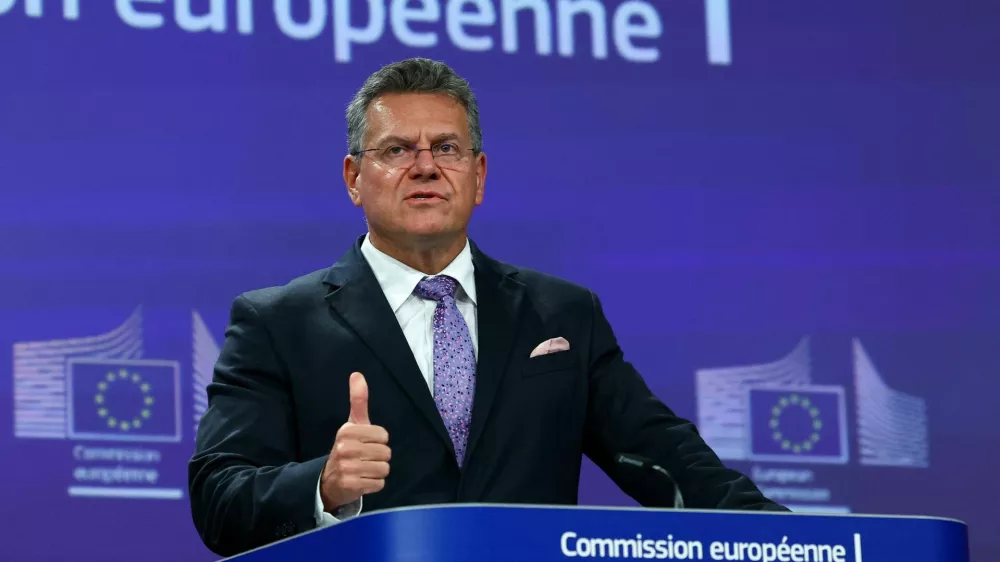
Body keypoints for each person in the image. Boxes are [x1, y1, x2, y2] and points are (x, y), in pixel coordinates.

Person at [187, 57, 787, 557]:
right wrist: (320, 484)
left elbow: (667, 459)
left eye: (445, 147)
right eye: (396, 150)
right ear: (353, 177)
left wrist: (796, 541)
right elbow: (219, 498)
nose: (425, 166)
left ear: (478, 175)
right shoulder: (278, 322)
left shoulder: (561, 315)